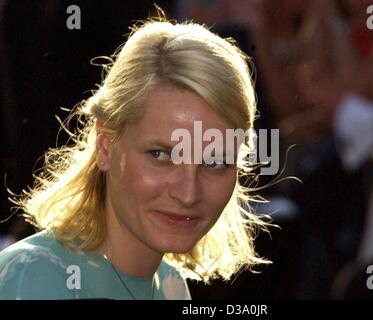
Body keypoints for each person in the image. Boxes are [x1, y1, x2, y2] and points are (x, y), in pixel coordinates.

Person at [0, 14, 270, 299]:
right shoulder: (35, 277)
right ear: (105, 146)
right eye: (161, 155)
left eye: (215, 162)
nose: (188, 193)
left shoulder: (172, 287)